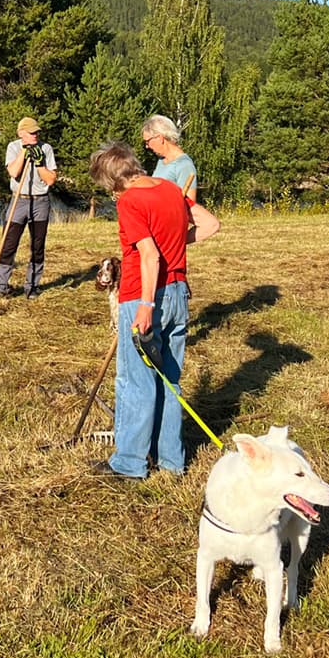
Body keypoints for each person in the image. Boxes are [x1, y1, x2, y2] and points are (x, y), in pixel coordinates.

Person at [88, 139, 221, 479]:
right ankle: (171, 461)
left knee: (137, 380)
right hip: (178, 293)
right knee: (169, 378)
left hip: (144, 295)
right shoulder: (169, 187)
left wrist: (145, 306)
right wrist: (176, 240)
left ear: (113, 180)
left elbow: (150, 256)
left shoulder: (130, 201)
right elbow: (210, 225)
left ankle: (130, 463)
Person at [0, 116, 58, 299]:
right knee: (8, 244)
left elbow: (51, 179)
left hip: (40, 201)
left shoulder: (46, 149)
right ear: (21, 133)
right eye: (31, 132)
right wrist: (24, 152)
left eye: (37, 132)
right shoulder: (13, 147)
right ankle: (1, 286)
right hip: (19, 200)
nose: (35, 135)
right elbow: (13, 172)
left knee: (37, 246)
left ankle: (32, 287)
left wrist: (39, 163)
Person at [143, 114, 198, 202]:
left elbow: (190, 205)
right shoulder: (161, 161)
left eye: (147, 141)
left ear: (160, 138)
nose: (147, 146)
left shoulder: (184, 165)